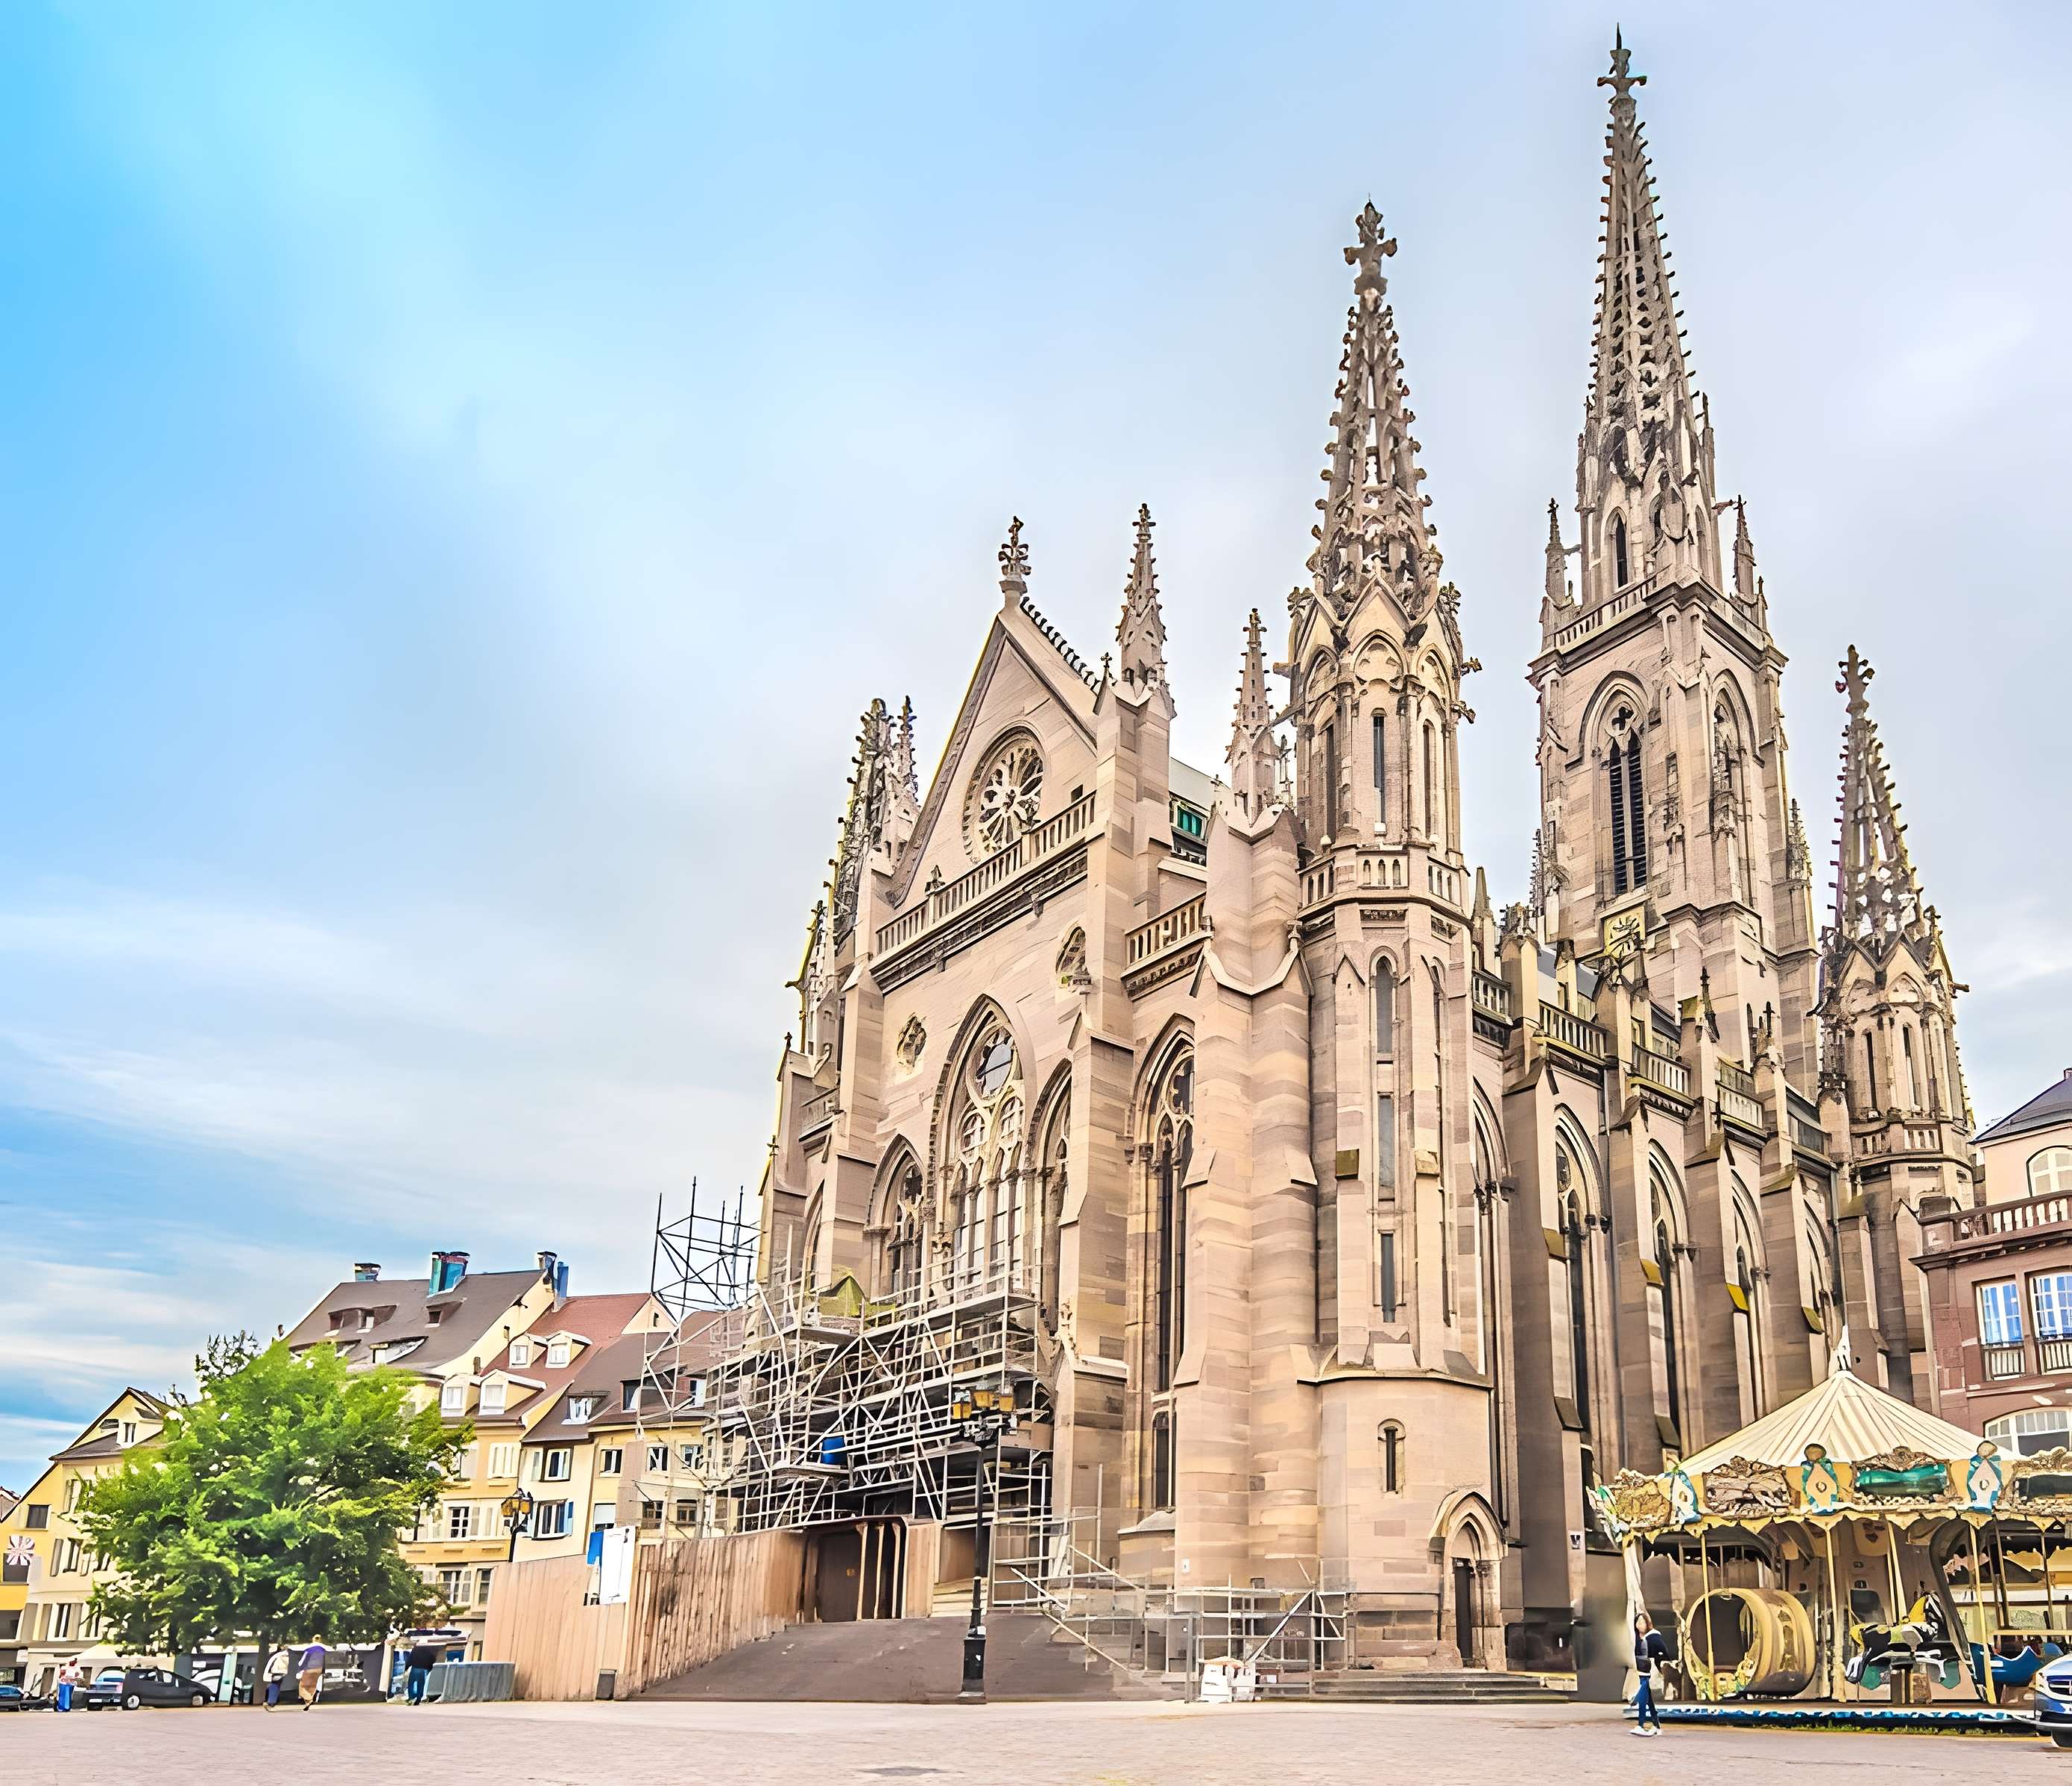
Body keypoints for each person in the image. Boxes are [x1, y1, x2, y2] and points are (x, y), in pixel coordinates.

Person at [1632, 1612, 1667, 1736]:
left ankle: (1641, 1725)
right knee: (1650, 1702)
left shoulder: (1654, 1637)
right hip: (1641, 1672)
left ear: (1648, 1623)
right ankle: (1657, 1727)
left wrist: (1659, 1664)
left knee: (1643, 1699)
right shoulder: (1636, 1639)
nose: (1639, 1625)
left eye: (1642, 1622)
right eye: (1637, 1622)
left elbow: (1664, 1653)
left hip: (1649, 1673)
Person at [405, 1640, 440, 1706]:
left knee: (411, 1684)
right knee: (421, 1685)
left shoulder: (415, 1649)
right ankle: (418, 1698)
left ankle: (411, 1698)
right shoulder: (429, 1650)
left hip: (415, 1668)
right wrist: (429, 1668)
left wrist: (406, 1668)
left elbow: (410, 1659)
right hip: (424, 1669)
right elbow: (433, 1659)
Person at [297, 1640, 326, 1711]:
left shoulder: (309, 1650)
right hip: (319, 1670)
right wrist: (323, 1670)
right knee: (312, 1685)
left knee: (303, 1685)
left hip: (309, 1669)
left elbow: (302, 1661)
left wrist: (300, 1669)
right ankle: (310, 1700)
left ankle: (308, 1700)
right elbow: (324, 1662)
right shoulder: (323, 1651)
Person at [263, 1646, 291, 1711]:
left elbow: (270, 1662)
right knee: (276, 1686)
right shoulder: (286, 1655)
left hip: (275, 1672)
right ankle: (271, 1702)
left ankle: (270, 1702)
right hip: (282, 1672)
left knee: (274, 1686)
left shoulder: (276, 1655)